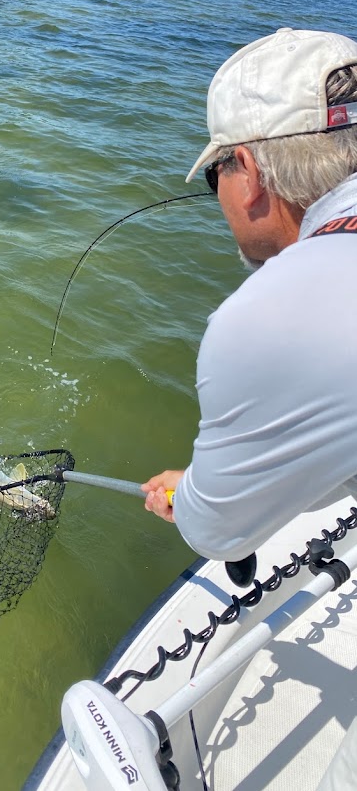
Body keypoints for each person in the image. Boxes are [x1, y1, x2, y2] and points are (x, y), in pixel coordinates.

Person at [142, 27, 357, 562]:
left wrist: (192, 499)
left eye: (217, 175)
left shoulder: (270, 317)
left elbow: (218, 533)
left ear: (251, 171)